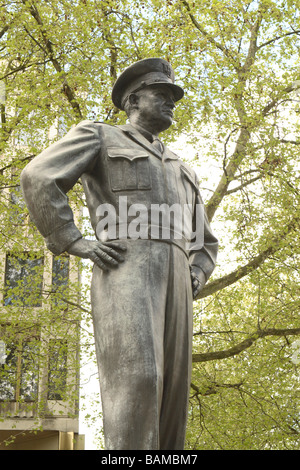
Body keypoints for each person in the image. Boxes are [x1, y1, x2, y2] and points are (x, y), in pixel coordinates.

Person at [21, 58, 218, 450]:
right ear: (133, 99)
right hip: (126, 263)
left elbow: (205, 239)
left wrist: (196, 273)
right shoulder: (100, 136)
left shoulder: (183, 168)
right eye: (161, 95)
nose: (170, 103)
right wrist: (73, 239)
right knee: (140, 377)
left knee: (173, 393)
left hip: (179, 276)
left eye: (172, 97)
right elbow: (39, 177)